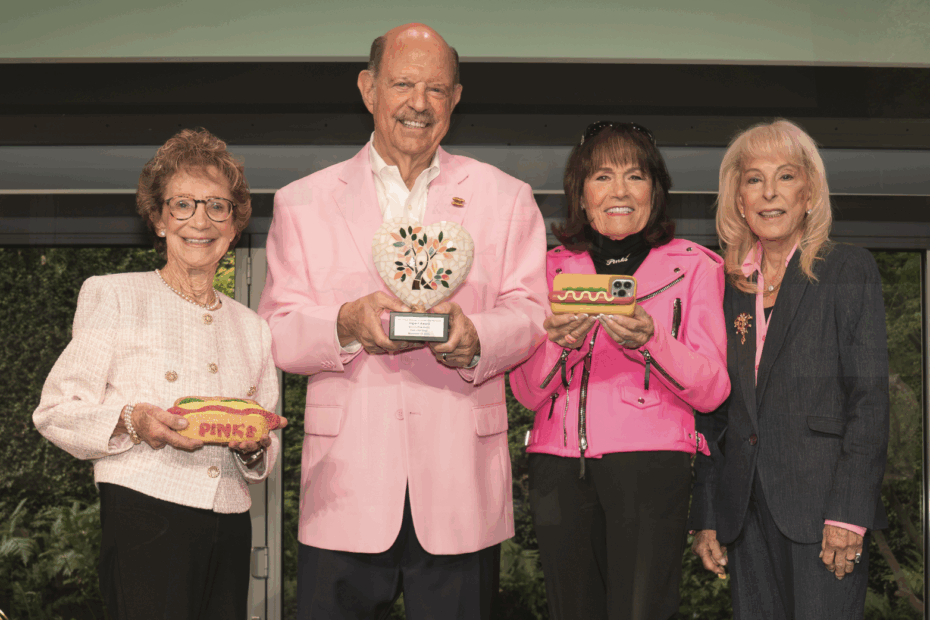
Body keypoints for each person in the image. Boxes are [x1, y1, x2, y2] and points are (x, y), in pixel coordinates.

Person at [257, 23, 548, 620]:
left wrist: (476, 338)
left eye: (436, 89)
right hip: (344, 487)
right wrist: (345, 322)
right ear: (368, 89)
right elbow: (279, 329)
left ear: (456, 99)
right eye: (403, 84)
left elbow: (532, 313)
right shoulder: (302, 201)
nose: (419, 103)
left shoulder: (506, 197)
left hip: (461, 489)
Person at [33, 128, 284, 620]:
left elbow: (266, 439)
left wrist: (256, 446)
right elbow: (56, 411)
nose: (201, 220)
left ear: (234, 225)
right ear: (159, 218)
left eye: (218, 206)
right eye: (183, 204)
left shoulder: (254, 329)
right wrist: (133, 420)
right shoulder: (114, 295)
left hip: (231, 524)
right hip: (145, 516)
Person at [509, 121, 730, 620]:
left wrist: (653, 341)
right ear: (581, 195)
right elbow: (524, 392)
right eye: (602, 176)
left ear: (655, 189)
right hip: (557, 466)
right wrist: (560, 346)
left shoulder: (696, 266)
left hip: (652, 465)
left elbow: (714, 388)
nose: (619, 191)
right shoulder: (546, 270)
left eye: (635, 176)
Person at [690, 119, 889, 619]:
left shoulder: (847, 269)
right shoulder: (726, 284)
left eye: (786, 176)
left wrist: (848, 510)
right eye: (754, 179)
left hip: (825, 511)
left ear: (810, 192)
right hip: (745, 512)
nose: (769, 193)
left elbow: (869, 402)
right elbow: (713, 411)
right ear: (738, 198)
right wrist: (709, 514)